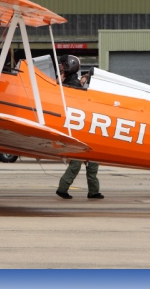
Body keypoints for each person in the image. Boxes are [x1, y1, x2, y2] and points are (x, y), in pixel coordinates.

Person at [55, 54, 104, 200]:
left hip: (81, 130)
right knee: (84, 163)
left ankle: (91, 191)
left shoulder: (73, 84)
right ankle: (67, 189)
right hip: (83, 130)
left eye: (63, 65)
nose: (61, 67)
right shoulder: (70, 82)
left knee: (84, 163)